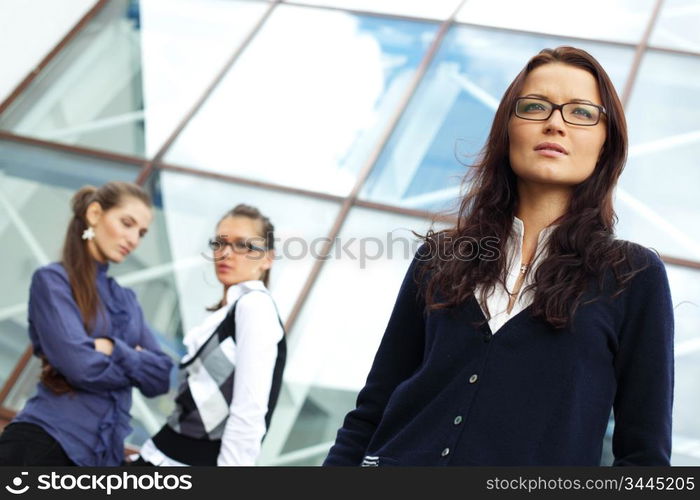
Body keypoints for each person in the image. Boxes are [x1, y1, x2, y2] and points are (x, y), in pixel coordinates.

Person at [324, 46, 674, 466]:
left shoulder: (633, 276)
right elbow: (371, 414)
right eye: (534, 106)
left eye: (580, 113)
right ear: (508, 128)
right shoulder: (439, 256)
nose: (554, 123)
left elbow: (644, 458)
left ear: (606, 142)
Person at [0, 182, 173, 466]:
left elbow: (161, 378)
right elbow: (81, 367)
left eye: (141, 233)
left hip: (100, 461)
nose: (133, 239)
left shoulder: (127, 299)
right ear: (94, 214)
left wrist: (111, 348)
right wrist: (135, 363)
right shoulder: (54, 281)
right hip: (41, 446)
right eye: (127, 223)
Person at [133, 204, 286, 466]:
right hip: (160, 454)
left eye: (242, 245)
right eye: (220, 243)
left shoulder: (255, 306)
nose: (226, 253)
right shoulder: (228, 312)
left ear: (267, 258)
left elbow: (249, 412)